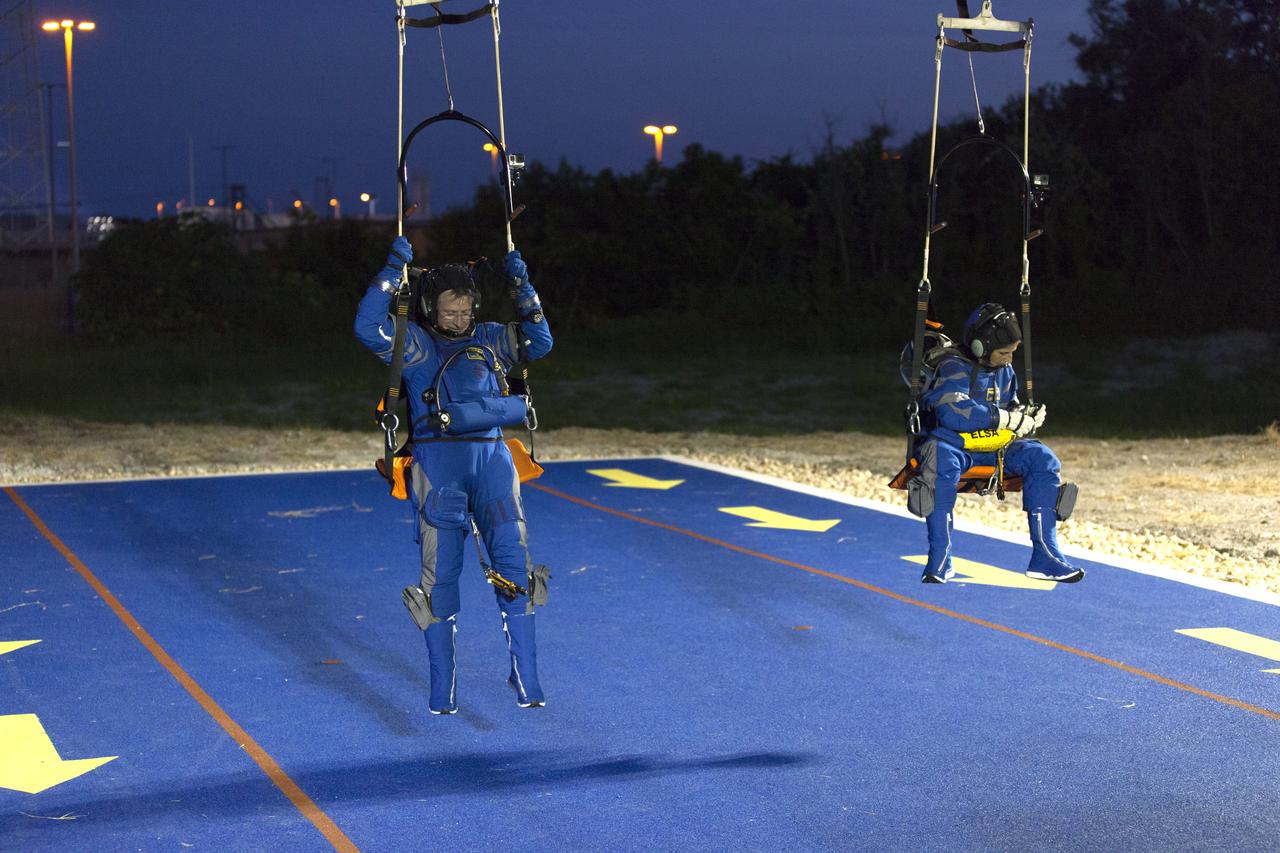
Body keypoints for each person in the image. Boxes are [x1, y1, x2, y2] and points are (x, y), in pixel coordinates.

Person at [354, 236, 553, 714]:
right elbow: (366, 327)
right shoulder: (416, 345)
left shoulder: (488, 338)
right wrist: (391, 272)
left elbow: (540, 342)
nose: (459, 319)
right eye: (450, 310)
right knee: (441, 577)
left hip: (493, 465)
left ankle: (527, 678)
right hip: (438, 468)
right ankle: (443, 689)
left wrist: (523, 285)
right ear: (430, 307)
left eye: (465, 309)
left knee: (513, 562)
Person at [914, 302, 1084, 585]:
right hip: (957, 447)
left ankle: (1045, 556)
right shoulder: (954, 367)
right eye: (1004, 352)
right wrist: (1004, 418)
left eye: (1013, 353)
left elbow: (1011, 406)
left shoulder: (1006, 371)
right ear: (981, 347)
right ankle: (940, 559)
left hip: (997, 450)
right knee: (940, 459)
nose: (1009, 359)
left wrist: (1024, 416)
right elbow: (953, 412)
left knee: (1043, 459)